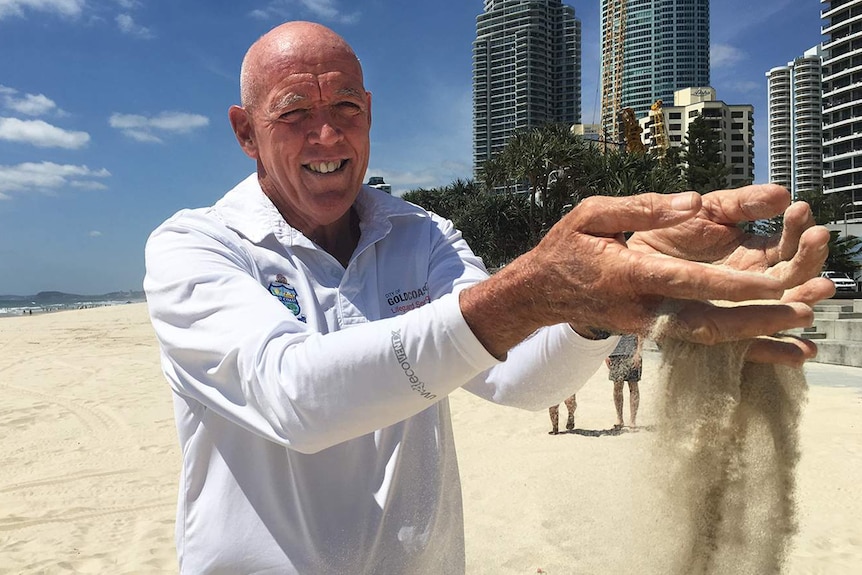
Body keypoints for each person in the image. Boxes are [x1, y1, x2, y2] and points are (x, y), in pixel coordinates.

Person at [143, 21, 834, 574]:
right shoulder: (195, 248)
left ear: (371, 113)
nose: (327, 134)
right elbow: (293, 395)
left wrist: (594, 309)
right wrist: (532, 288)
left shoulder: (422, 236)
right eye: (294, 113)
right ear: (244, 131)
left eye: (345, 106)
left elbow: (516, 378)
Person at [606, 333, 643, 429]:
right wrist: (606, 353)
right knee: (617, 387)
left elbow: (641, 332)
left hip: (632, 352)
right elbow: (606, 332)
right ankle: (619, 419)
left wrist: (638, 352)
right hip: (615, 353)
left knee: (633, 386)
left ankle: (632, 420)